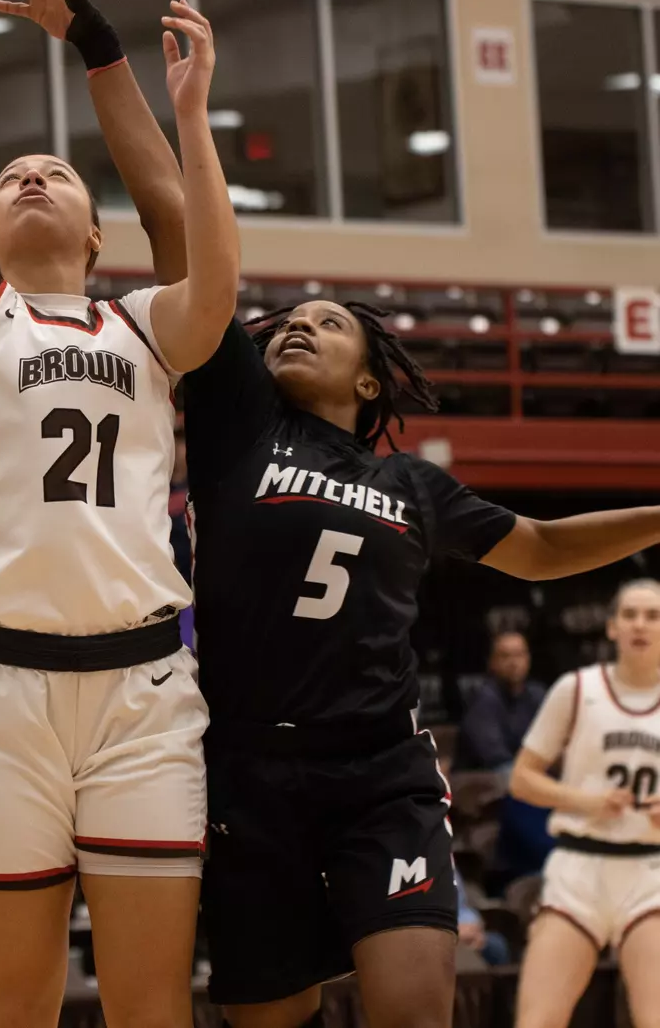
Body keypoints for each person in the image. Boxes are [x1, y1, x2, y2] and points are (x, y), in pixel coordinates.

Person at [0, 0, 238, 1026]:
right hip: (1, 691)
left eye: (58, 173)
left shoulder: (145, 323)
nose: (32, 173)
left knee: (148, 1006)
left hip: (142, 696)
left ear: (92, 231)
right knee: (16, 1005)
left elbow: (217, 277)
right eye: (9, 176)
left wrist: (188, 115)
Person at [180, 299, 660, 1028]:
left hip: (379, 775)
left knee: (413, 1013)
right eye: (286, 323)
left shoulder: (412, 485)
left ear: (370, 384)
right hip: (247, 774)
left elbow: (540, 547)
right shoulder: (238, 432)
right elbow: (192, 259)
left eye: (328, 323)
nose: (297, 327)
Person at [510, 579, 660, 1028]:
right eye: (630, 614)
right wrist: (585, 801)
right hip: (579, 865)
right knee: (538, 1021)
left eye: (652, 616)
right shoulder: (575, 689)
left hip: (650, 871)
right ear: (611, 628)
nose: (640, 624)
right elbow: (522, 779)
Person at [457, 631, 545, 772]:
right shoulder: (482, 700)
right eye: (505, 656)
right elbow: (496, 760)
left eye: (519, 655)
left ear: (528, 659)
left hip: (526, 772)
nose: (513, 663)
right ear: (492, 662)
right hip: (485, 782)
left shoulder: (536, 694)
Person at [455, 870, 510, 967]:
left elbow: (462, 907)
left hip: (460, 931)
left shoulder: (446, 862)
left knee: (497, 945)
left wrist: (473, 927)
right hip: (432, 934)